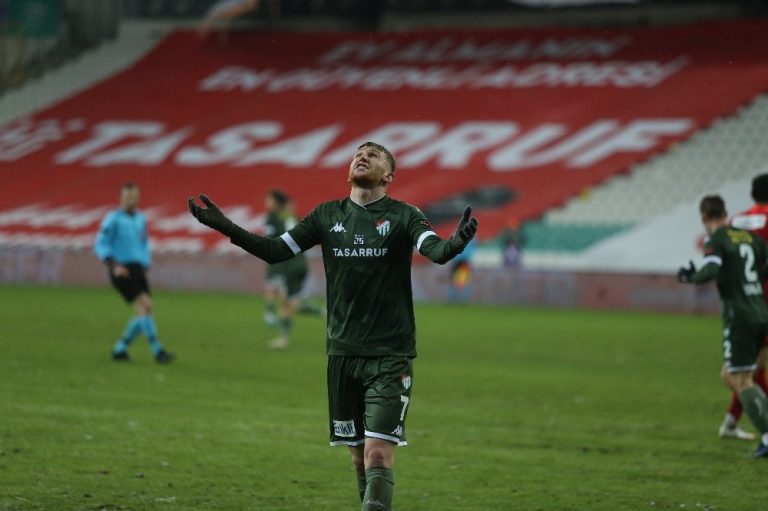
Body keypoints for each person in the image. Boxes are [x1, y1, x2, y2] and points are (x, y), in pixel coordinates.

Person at [189, 141, 478, 509]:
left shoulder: (404, 215)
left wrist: (455, 243)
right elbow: (275, 251)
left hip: (389, 355)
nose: (363, 156)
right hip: (341, 353)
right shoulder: (326, 215)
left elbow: (434, 251)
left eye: (373, 155)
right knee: (358, 458)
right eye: (358, 153)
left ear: (389, 176)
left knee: (377, 454)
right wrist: (225, 226)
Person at [678, 195, 768, 458]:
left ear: (704, 217)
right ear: (725, 212)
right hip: (761, 311)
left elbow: (710, 271)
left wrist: (690, 277)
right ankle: (741, 421)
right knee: (732, 376)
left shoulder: (717, 240)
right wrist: (754, 281)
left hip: (740, 317)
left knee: (740, 380)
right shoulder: (750, 238)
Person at [94, 182, 175, 364]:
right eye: (127, 197)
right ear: (120, 198)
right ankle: (158, 351)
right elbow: (101, 244)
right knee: (146, 304)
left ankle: (120, 349)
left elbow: (143, 243)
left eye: (134, 197)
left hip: (137, 268)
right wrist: (114, 265)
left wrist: (145, 262)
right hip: (121, 269)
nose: (131, 200)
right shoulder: (113, 219)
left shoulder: (140, 218)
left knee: (143, 310)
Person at [721, 175, 768, 440]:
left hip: (742, 300)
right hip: (765, 301)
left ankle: (730, 422)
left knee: (748, 368)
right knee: (748, 369)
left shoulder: (736, 220)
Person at [262, 189, 312, 350]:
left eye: (269, 200)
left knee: (286, 303)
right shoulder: (292, 217)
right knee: (290, 300)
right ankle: (325, 313)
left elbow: (270, 241)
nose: (266, 203)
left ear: (276, 202)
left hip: (288, 264)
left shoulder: (273, 217)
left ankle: (282, 338)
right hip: (301, 262)